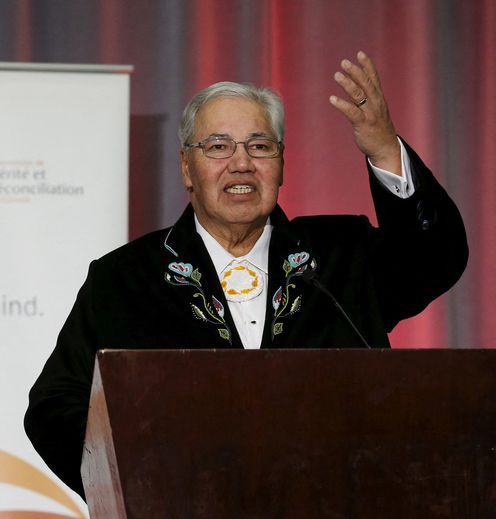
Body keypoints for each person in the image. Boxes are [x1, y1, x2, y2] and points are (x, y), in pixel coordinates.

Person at [24, 51, 468, 500]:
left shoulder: (339, 258)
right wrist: (124, 486)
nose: (241, 163)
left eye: (260, 146)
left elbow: (436, 259)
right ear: (186, 168)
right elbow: (53, 406)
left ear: (281, 164)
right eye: (218, 146)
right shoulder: (124, 280)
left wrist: (384, 149)